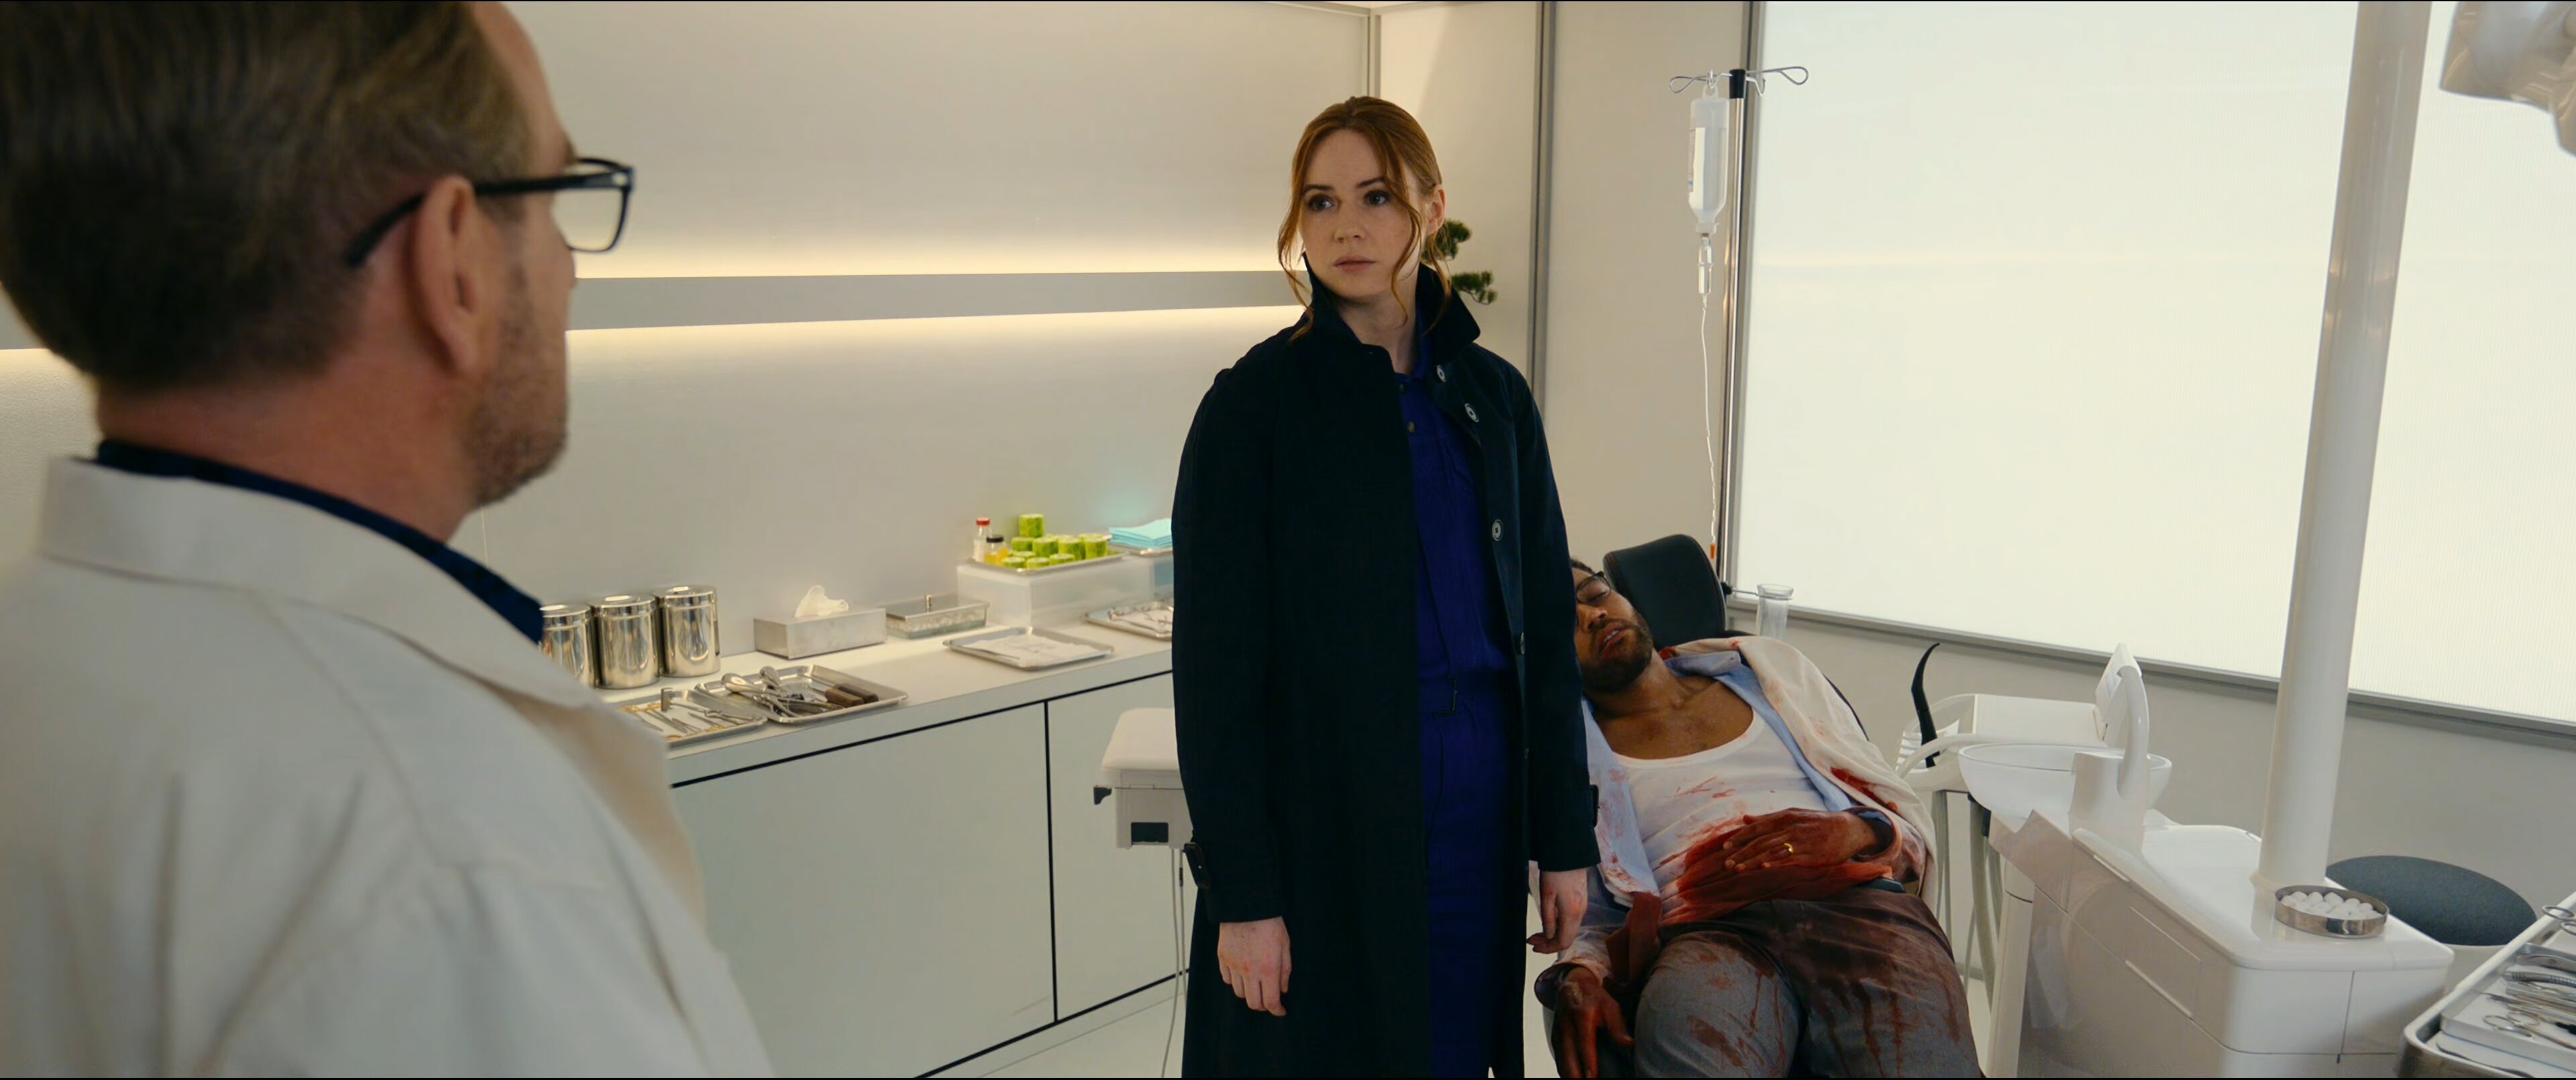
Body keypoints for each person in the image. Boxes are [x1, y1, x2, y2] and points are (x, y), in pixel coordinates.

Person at [0, 3, 769, 1073]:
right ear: (453, 262)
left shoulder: (49, 654)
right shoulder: (441, 852)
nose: (569, 271)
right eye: (554, 201)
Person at [1170, 97, 1595, 1077]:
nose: (1345, 227)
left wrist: (1564, 836)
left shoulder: (1493, 397)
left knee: (1452, 1049)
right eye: (1320, 202)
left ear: (1430, 208)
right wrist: (1244, 895)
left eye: (1376, 197)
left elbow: (1541, 630)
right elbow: (1216, 674)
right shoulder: (1252, 407)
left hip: (1478, 810)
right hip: (1326, 817)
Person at [1538, 561, 1980, 1078]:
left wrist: (1854, 831)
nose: (1592, 616)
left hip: (1856, 910)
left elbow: (1906, 829)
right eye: (1563, 622)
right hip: (1706, 938)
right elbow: (1589, 917)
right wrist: (1580, 974)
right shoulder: (1565, 762)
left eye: (1595, 593)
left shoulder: (1774, 676)